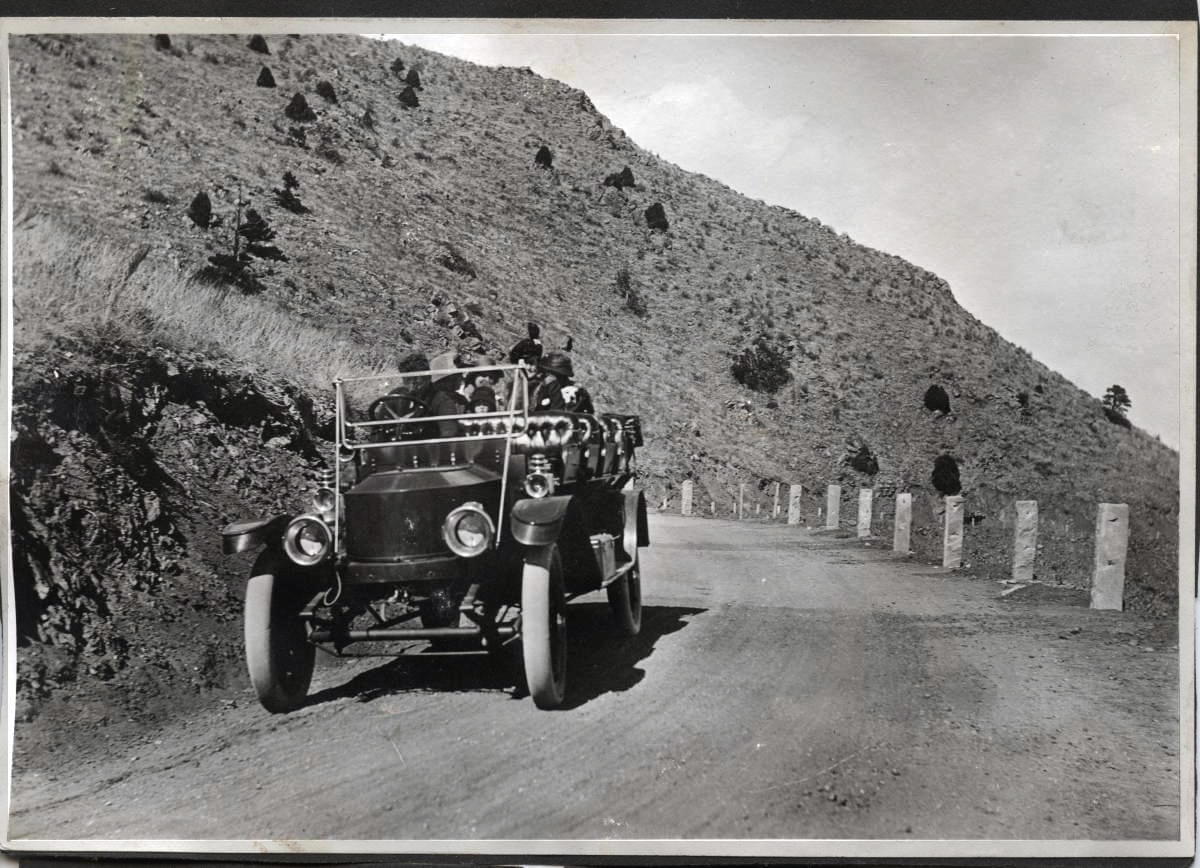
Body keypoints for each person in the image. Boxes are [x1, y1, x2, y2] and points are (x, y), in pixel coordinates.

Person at [424, 350, 469, 437]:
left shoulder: (459, 399)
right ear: (447, 379)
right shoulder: (437, 399)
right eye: (458, 375)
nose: (462, 378)